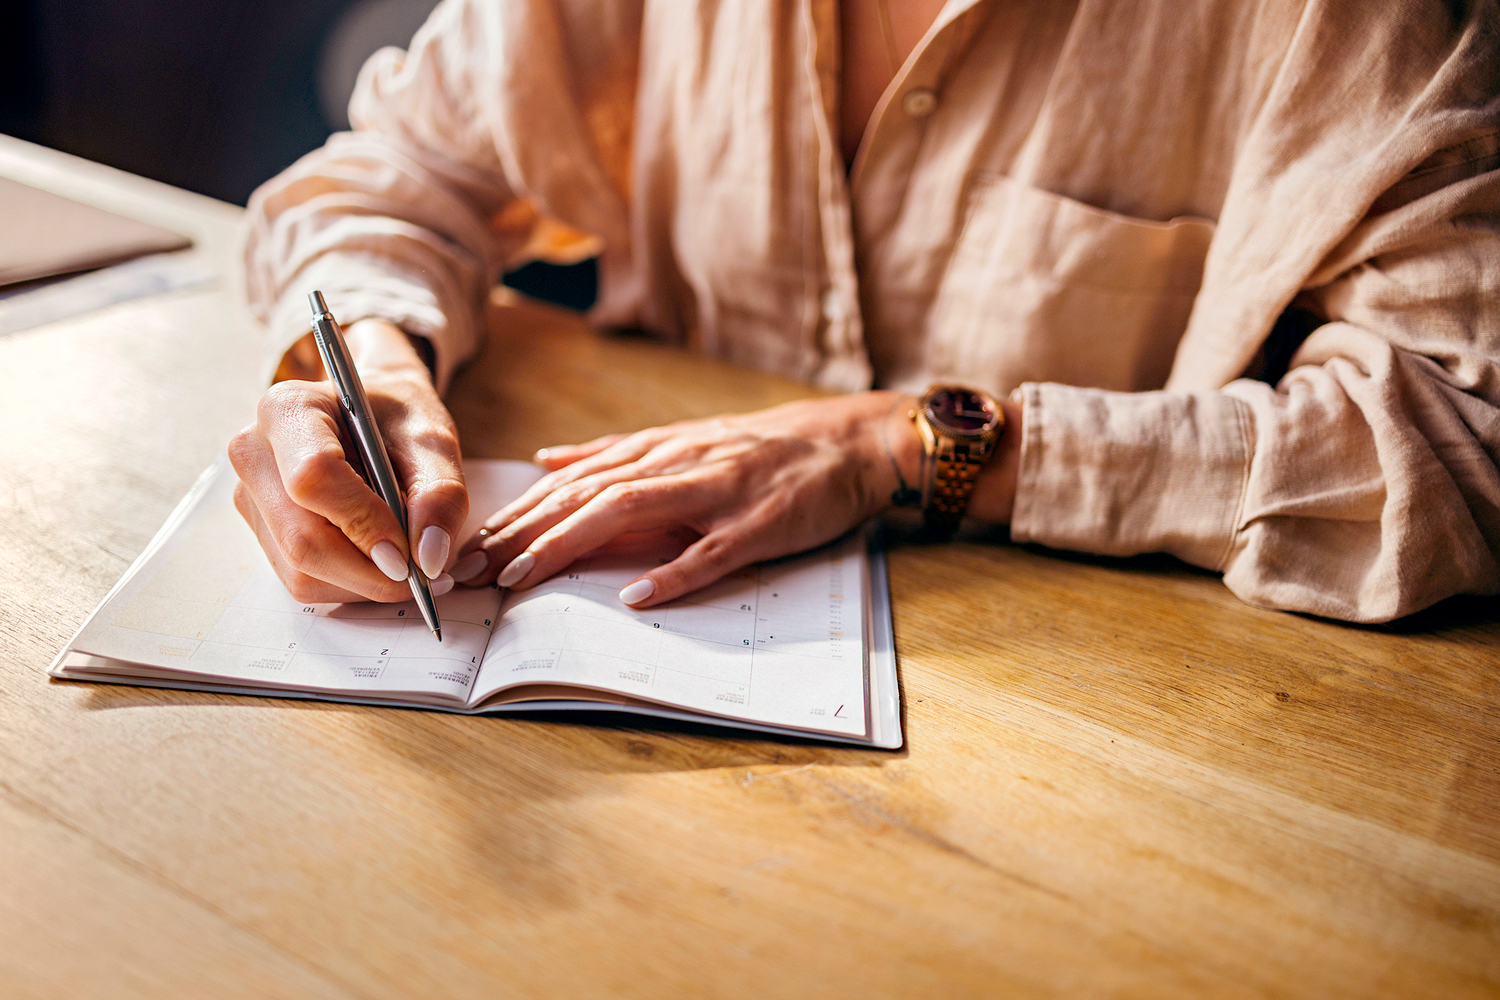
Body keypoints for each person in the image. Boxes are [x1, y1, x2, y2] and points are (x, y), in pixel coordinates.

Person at [232, 0, 1500, 625]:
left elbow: (1463, 436)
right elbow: (389, 173)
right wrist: (375, 367)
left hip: (1100, 739)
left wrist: (907, 445)